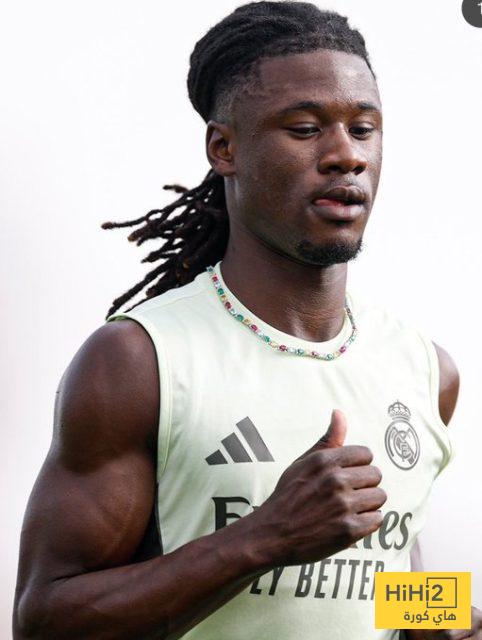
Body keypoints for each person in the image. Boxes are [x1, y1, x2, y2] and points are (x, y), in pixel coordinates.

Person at [12, 2, 480, 638]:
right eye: (305, 129)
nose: (346, 155)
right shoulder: (140, 361)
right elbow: (44, 620)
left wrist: (447, 621)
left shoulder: (425, 369)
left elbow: (384, 574)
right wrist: (265, 537)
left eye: (364, 129)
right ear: (223, 148)